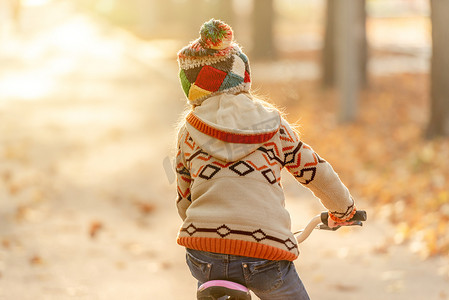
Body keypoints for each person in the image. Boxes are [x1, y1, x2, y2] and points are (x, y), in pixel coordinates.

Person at [174, 19, 356, 300]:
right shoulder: (273, 124)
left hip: (203, 253)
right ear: (242, 73)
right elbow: (316, 172)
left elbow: (184, 196)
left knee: (208, 276)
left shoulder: (188, 131)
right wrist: (343, 210)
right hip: (263, 257)